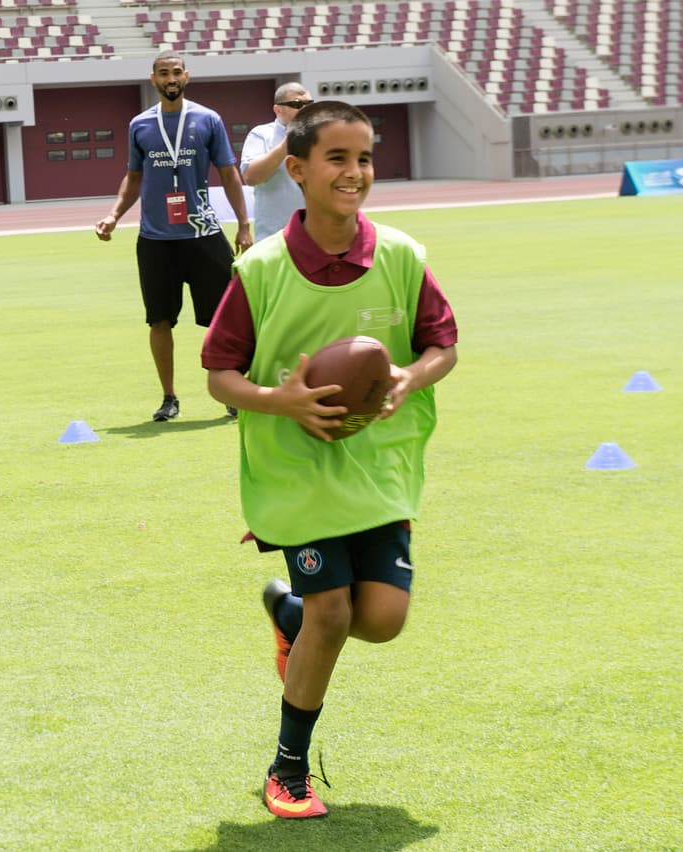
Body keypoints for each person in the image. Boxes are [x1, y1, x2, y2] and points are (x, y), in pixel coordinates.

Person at [201, 101, 459, 819]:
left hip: (378, 469)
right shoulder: (261, 269)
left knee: (381, 619)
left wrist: (412, 377)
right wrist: (279, 401)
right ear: (297, 170)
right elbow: (219, 373)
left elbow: (444, 345)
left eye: (365, 158)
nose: (355, 173)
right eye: (338, 159)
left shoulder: (403, 256)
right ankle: (288, 769)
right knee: (333, 613)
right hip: (298, 474)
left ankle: (287, 618)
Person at [94, 51, 252, 423]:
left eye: (176, 72)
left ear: (187, 77)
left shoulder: (207, 119)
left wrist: (243, 223)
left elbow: (229, 173)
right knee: (159, 320)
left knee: (221, 319)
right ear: (153, 79)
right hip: (156, 239)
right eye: (163, 73)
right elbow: (134, 177)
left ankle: (231, 393)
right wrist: (114, 214)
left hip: (203, 233)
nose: (170, 79)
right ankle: (169, 398)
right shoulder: (140, 125)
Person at [239, 82, 312, 241]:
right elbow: (251, 177)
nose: (305, 109)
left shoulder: (321, 136)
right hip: (274, 239)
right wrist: (289, 141)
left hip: (316, 238)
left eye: (309, 104)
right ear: (278, 110)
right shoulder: (261, 135)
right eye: (297, 104)